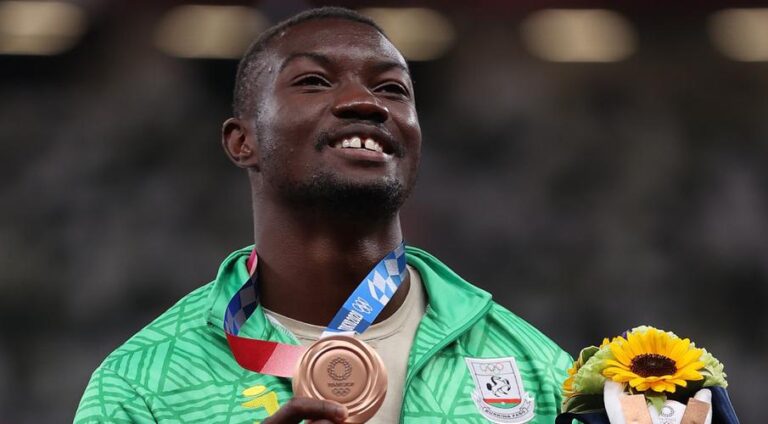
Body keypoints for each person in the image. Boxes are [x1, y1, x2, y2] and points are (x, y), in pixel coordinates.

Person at [74, 7, 571, 423]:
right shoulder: (140, 385)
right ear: (242, 141)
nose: (365, 102)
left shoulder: (541, 372)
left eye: (393, 89)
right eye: (313, 81)